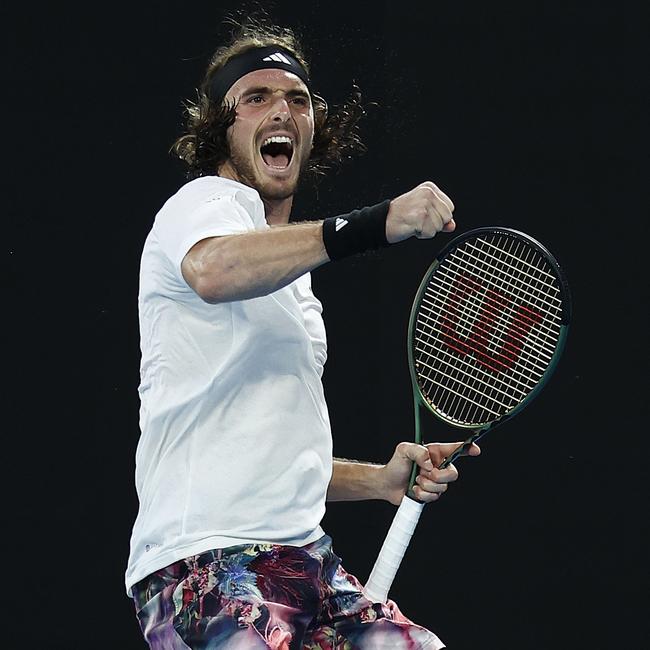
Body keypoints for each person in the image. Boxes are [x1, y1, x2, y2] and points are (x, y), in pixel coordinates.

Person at [126, 16, 480, 650]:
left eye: (297, 99)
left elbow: (272, 454)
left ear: (316, 125)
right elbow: (214, 269)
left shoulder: (293, 287)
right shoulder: (201, 206)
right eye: (255, 97)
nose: (281, 110)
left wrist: (377, 479)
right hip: (208, 565)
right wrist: (376, 224)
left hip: (308, 563)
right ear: (221, 127)